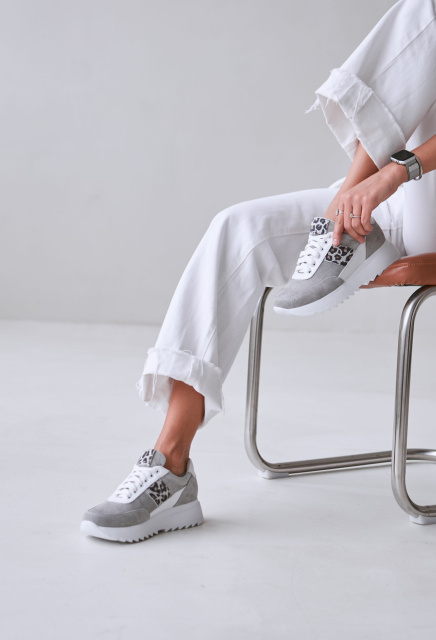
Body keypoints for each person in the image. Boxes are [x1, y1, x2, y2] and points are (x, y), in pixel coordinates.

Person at [81, 0, 436, 542]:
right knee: (237, 228)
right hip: (401, 198)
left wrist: (392, 173)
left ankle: (340, 222)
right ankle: (171, 466)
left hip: (411, 186)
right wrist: (374, 186)